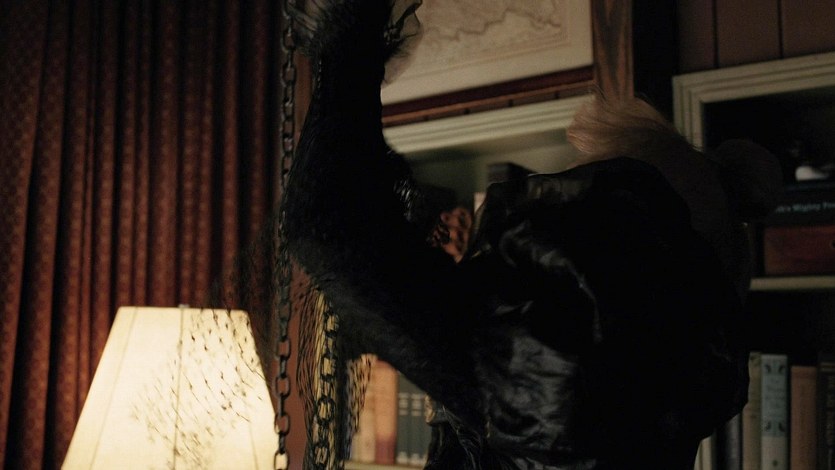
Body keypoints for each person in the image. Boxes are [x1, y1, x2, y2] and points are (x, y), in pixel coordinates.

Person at [281, 1, 783, 468]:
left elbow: (327, 226)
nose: (559, 211)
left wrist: (350, 35)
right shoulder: (658, 375)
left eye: (587, 193)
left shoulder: (561, 377)